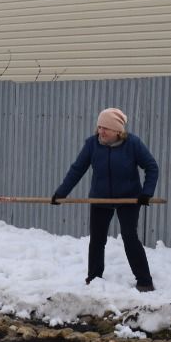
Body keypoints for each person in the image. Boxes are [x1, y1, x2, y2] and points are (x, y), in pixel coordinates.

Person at [52, 107, 159, 292]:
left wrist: (146, 193)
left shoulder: (133, 144)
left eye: (105, 128)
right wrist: (62, 192)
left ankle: (144, 281)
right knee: (97, 239)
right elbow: (77, 169)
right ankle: (93, 278)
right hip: (100, 198)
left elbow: (151, 167)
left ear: (118, 131)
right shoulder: (92, 144)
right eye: (99, 127)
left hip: (129, 198)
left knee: (129, 237)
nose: (101, 131)